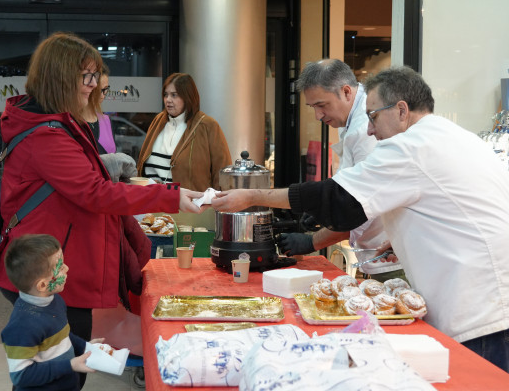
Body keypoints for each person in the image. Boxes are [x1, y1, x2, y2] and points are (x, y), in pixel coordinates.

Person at [212, 66, 509, 372]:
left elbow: (339, 200)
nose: (368, 130)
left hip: (478, 312)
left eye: (373, 117)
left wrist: (253, 196)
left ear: (402, 111)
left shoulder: (410, 147)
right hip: (492, 300)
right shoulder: (451, 136)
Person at [0, 32, 204, 386]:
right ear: (61, 77)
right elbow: (96, 193)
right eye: (87, 77)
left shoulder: (57, 123)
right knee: (59, 376)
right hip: (47, 262)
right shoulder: (47, 134)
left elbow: (87, 185)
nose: (93, 86)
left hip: (55, 259)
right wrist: (168, 196)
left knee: (69, 359)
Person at [276, 59, 404, 282]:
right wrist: (323, 210)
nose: (317, 115)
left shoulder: (365, 128)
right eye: (313, 107)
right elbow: (348, 186)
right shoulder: (348, 119)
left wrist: (312, 241)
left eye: (321, 105)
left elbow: (359, 208)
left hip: (391, 260)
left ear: (346, 92)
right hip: (378, 253)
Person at [2, 234, 102, 390]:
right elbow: (21, 375)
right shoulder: (22, 327)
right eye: (60, 267)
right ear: (42, 285)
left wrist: (85, 347)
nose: (67, 268)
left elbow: (62, 335)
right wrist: (70, 365)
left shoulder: (55, 301)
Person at [136, 72, 232, 191]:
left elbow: (222, 172)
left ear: (187, 97)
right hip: (152, 200)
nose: (168, 100)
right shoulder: (158, 120)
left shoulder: (207, 126)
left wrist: (220, 203)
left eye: (174, 95)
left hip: (189, 206)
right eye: (166, 95)